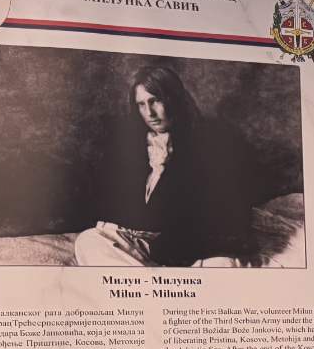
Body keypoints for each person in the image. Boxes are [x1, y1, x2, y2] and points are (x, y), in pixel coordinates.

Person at [73, 64, 259, 267]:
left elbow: (218, 217)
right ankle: (153, 278)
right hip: (141, 241)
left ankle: (154, 278)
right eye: (141, 104)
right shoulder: (131, 146)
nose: (149, 113)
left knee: (224, 264)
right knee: (88, 240)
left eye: (155, 101)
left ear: (173, 99)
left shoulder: (207, 142)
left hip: (186, 245)